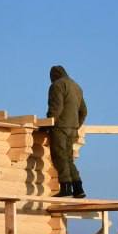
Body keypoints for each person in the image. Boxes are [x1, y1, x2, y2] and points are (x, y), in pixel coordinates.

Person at [45, 65, 87, 198]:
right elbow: (84, 111)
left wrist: (48, 123)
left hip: (60, 127)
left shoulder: (57, 85)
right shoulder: (77, 87)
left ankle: (66, 188)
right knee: (69, 159)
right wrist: (76, 125)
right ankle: (78, 188)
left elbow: (56, 108)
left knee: (59, 156)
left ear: (54, 76)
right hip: (73, 128)